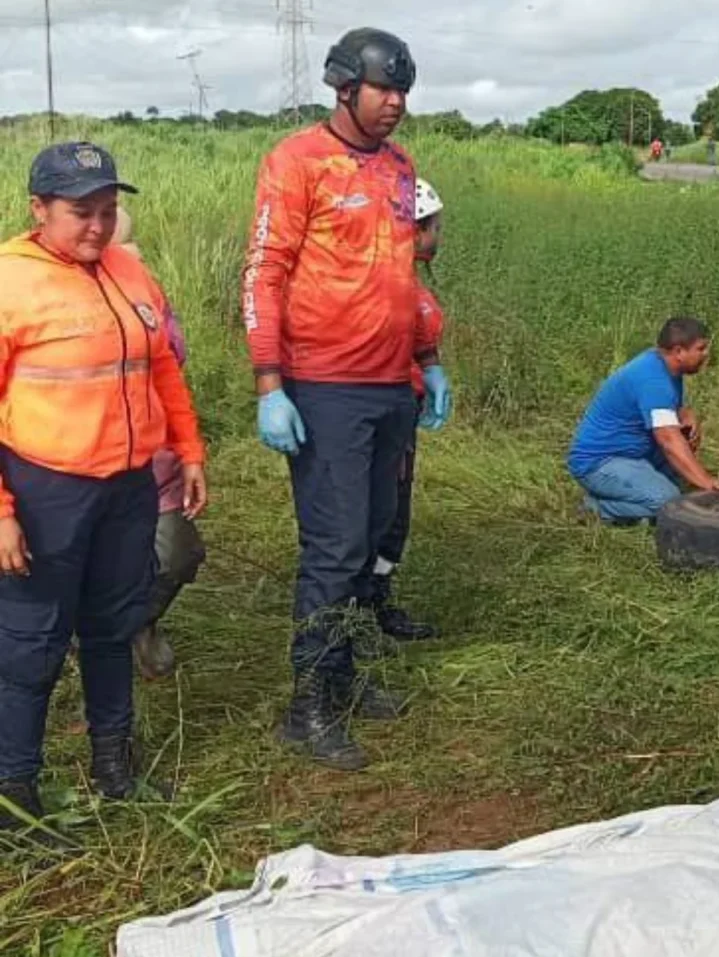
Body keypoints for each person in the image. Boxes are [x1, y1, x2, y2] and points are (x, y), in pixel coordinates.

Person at [242, 28, 450, 772]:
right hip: (326, 386)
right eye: (383, 89)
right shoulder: (296, 161)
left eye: (403, 91)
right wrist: (270, 384)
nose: (395, 103)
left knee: (369, 539)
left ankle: (345, 676)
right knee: (332, 550)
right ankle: (308, 708)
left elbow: (401, 275)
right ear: (344, 87)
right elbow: (264, 272)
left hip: (391, 383)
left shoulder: (399, 165)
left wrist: (425, 361)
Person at [0, 142, 207, 838]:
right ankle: (15, 795)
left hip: (126, 487)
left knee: (114, 627)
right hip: (44, 489)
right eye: (80, 211)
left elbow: (162, 369)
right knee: (31, 643)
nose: (97, 225)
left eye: (108, 210)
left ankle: (116, 770)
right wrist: (2, 512)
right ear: (39, 209)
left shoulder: (128, 270)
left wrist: (189, 449)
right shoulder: (9, 280)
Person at [110, 207, 206, 680]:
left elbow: (170, 365)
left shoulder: (146, 288)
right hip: (81, 463)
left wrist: (190, 451)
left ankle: (137, 623)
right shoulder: (36, 287)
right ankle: (99, 639)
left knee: (179, 553)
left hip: (156, 454)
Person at [370, 178, 448, 642]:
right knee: (384, 512)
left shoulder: (405, 280)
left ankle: (376, 599)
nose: (439, 236)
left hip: (406, 401)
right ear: (416, 229)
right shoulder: (383, 284)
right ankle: (362, 609)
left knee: (394, 511)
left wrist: (432, 368)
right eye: (436, 227)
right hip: (386, 407)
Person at [568, 317, 719, 524]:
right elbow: (668, 440)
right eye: (700, 348)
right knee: (668, 503)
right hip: (600, 463)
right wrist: (708, 482)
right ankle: (594, 508)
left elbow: (661, 407)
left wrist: (685, 413)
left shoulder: (662, 365)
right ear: (678, 351)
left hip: (633, 453)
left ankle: (633, 489)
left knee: (683, 460)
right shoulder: (653, 380)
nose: (706, 354)